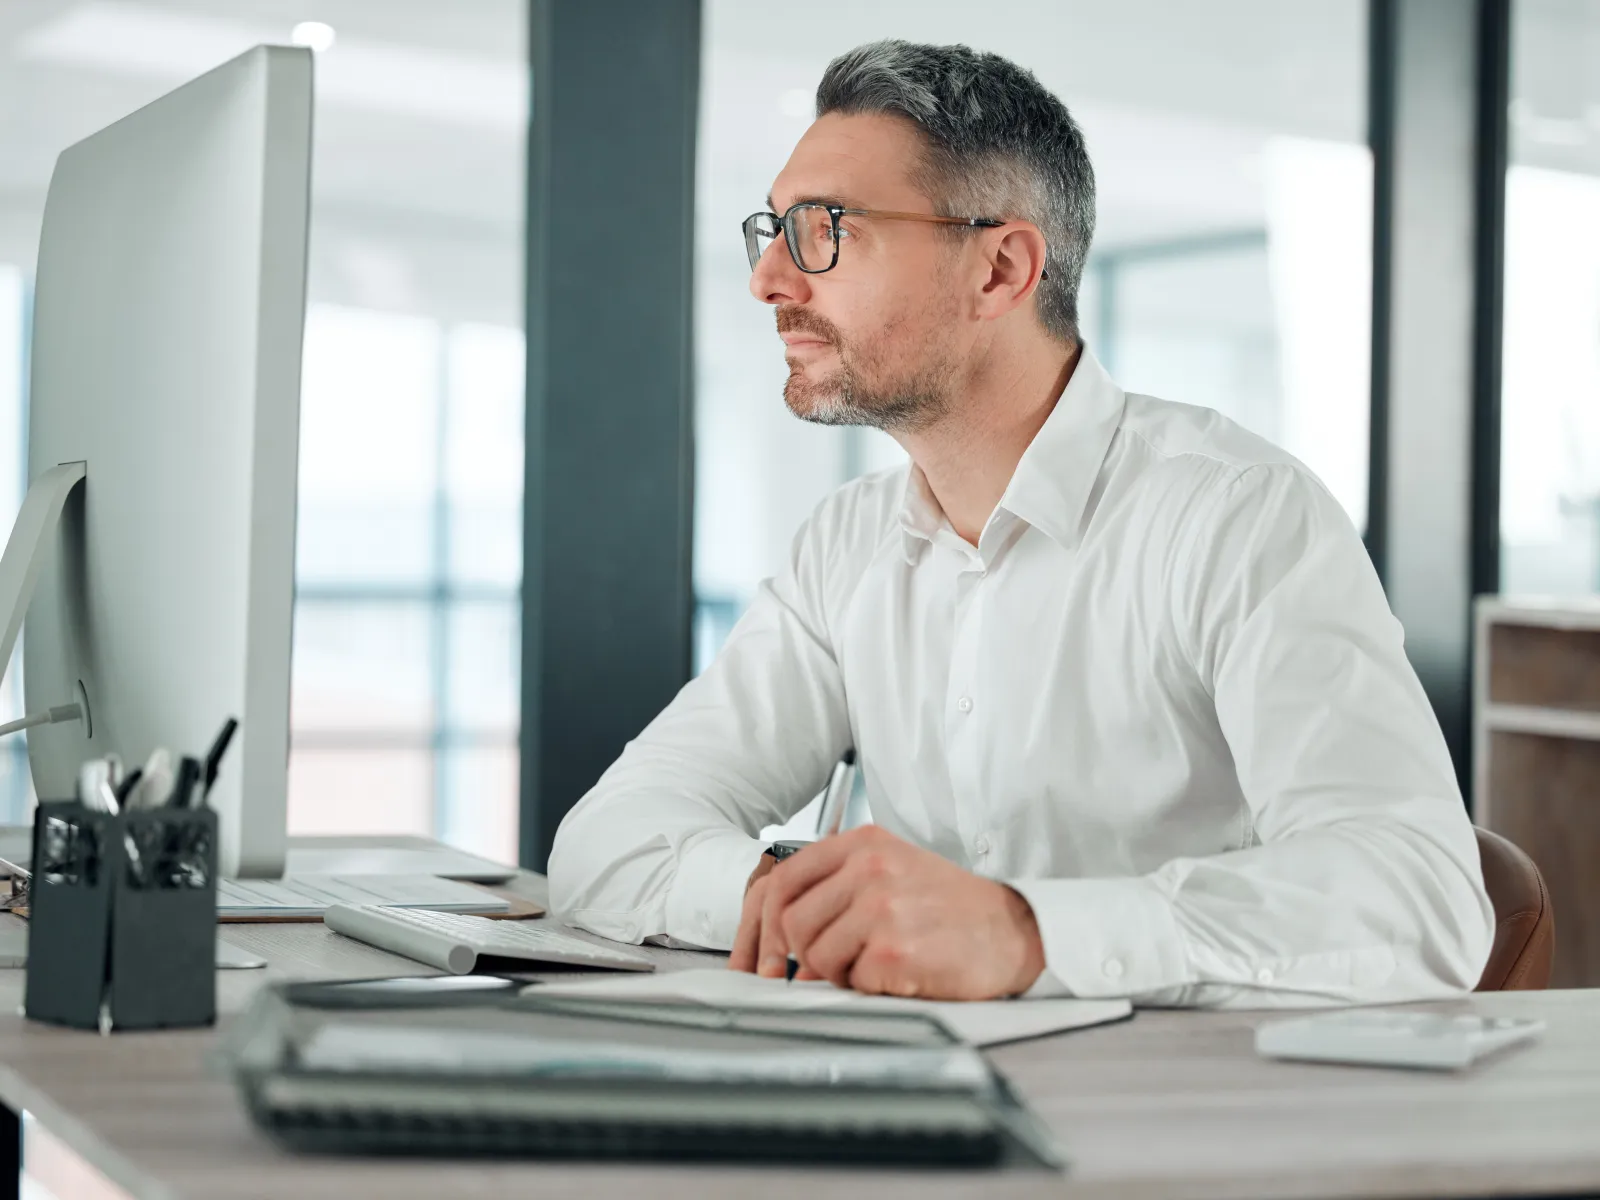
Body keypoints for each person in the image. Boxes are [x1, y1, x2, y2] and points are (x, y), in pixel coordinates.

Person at [548, 40, 1493, 1007]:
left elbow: (1419, 902)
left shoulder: (1237, 516)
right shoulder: (849, 545)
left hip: (1199, 1120)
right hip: (924, 1105)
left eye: (826, 228)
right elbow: (607, 841)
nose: (772, 280)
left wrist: (1023, 934)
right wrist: (796, 904)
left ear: (999, 270)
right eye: (775, 229)